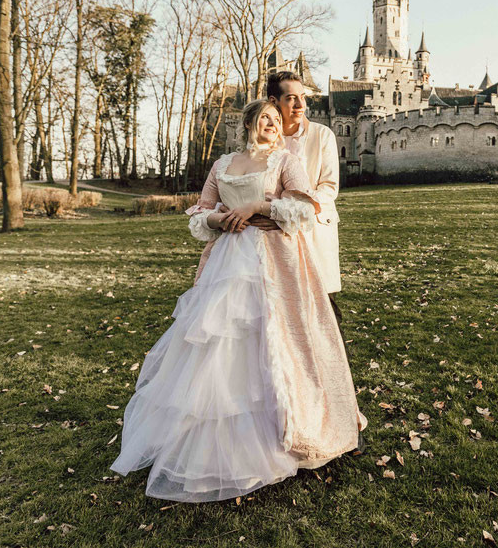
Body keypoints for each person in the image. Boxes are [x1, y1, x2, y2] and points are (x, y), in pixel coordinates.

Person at [109, 99, 366, 502]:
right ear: (249, 123)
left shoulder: (285, 161)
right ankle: (213, 440)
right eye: (264, 117)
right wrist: (219, 219)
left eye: (275, 120)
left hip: (274, 261)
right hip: (227, 261)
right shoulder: (223, 163)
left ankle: (283, 432)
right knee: (220, 345)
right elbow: (200, 212)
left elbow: (303, 207)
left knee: (275, 340)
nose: (271, 124)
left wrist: (257, 206)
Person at [265, 71, 343, 317]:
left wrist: (291, 212)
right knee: (278, 309)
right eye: (291, 98)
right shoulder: (264, 138)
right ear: (274, 101)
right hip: (272, 234)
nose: (301, 105)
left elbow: (329, 188)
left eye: (303, 97)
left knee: (322, 309)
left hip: (313, 230)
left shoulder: (322, 135)